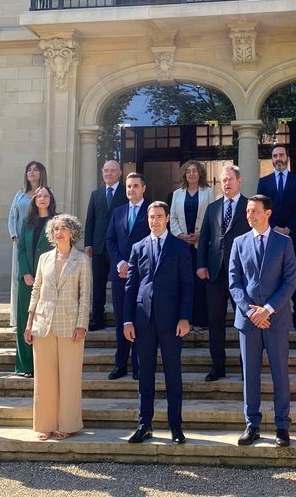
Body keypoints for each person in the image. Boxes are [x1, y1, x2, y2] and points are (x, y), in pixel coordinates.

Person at [229, 195, 296, 448]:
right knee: (250, 376)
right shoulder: (238, 242)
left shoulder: (284, 243)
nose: (250, 215)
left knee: (280, 374)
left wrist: (267, 310)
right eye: (248, 211)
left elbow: (289, 281)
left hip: (276, 320)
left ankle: (282, 426)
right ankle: (252, 424)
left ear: (268, 213)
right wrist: (250, 311)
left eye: (255, 211)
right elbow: (234, 282)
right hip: (248, 322)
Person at [123, 201, 193, 445]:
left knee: (173, 374)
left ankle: (176, 426)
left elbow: (187, 285)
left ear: (166, 219)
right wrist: (127, 320)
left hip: (172, 320)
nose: (155, 220)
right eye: (151, 217)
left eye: (159, 216)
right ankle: (145, 424)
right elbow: (131, 287)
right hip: (143, 321)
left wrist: (185, 317)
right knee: (145, 376)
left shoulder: (179, 247)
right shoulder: (138, 247)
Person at [23, 214, 90, 441]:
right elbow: (36, 290)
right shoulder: (44, 258)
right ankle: (45, 424)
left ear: (72, 233)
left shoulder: (81, 260)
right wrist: (29, 322)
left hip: (70, 325)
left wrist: (82, 325)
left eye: (63, 228)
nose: (58, 232)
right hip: (43, 324)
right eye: (55, 229)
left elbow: (85, 296)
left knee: (69, 377)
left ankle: (68, 424)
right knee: (44, 378)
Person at [196, 165, 249, 382]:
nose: (226, 184)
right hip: (215, 274)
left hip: (243, 275)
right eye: (222, 181)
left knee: (245, 322)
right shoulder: (213, 207)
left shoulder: (249, 206)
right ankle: (218, 365)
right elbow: (204, 240)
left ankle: (247, 365)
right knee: (215, 322)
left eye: (229, 179)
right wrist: (201, 265)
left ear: (239, 180)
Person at [256, 145, 296, 332]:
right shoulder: (264, 182)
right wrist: (272, 229)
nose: (278, 158)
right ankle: (271, 315)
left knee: (295, 278)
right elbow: (259, 209)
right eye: (275, 156)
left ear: (287, 157)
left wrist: (287, 228)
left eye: (281, 155)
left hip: (293, 236)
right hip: (271, 238)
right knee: (272, 277)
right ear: (272, 159)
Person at [104, 172, 150, 380]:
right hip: (120, 274)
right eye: (128, 186)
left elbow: (153, 241)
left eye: (135, 186)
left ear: (143, 188)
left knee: (140, 319)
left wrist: (136, 266)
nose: (131, 190)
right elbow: (110, 240)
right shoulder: (118, 212)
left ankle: (139, 366)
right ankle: (120, 364)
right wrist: (121, 263)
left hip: (142, 276)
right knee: (122, 319)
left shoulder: (152, 212)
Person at [15, 186, 57, 378]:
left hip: (50, 280)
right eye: (39, 196)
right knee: (26, 321)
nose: (42, 199)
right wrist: (25, 273)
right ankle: (26, 366)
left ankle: (46, 365)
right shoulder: (27, 222)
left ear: (50, 199)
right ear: (34, 200)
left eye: (46, 196)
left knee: (46, 321)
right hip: (28, 279)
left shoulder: (57, 221)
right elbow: (21, 249)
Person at [169, 160, 214, 330]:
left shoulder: (209, 192)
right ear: (184, 174)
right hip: (182, 245)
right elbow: (172, 217)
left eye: (195, 171)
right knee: (183, 282)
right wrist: (180, 235)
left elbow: (213, 217)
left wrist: (201, 235)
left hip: (201, 245)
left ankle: (200, 321)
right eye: (188, 171)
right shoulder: (177, 194)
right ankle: (184, 319)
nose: (192, 174)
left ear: (200, 173)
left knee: (200, 283)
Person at [84, 160, 127, 331]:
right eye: (106, 170)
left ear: (120, 173)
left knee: (120, 284)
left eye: (113, 171)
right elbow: (90, 220)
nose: (109, 173)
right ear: (102, 172)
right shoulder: (96, 194)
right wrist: (88, 243)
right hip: (99, 247)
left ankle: (122, 320)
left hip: (119, 246)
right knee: (98, 284)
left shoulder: (126, 192)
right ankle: (97, 319)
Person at [8, 161, 47, 331]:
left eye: (35, 169)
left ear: (41, 173)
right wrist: (14, 235)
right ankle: (18, 319)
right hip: (21, 243)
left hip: (39, 242)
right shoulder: (19, 194)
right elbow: (12, 216)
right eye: (28, 169)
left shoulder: (46, 193)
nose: (31, 172)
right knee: (19, 279)